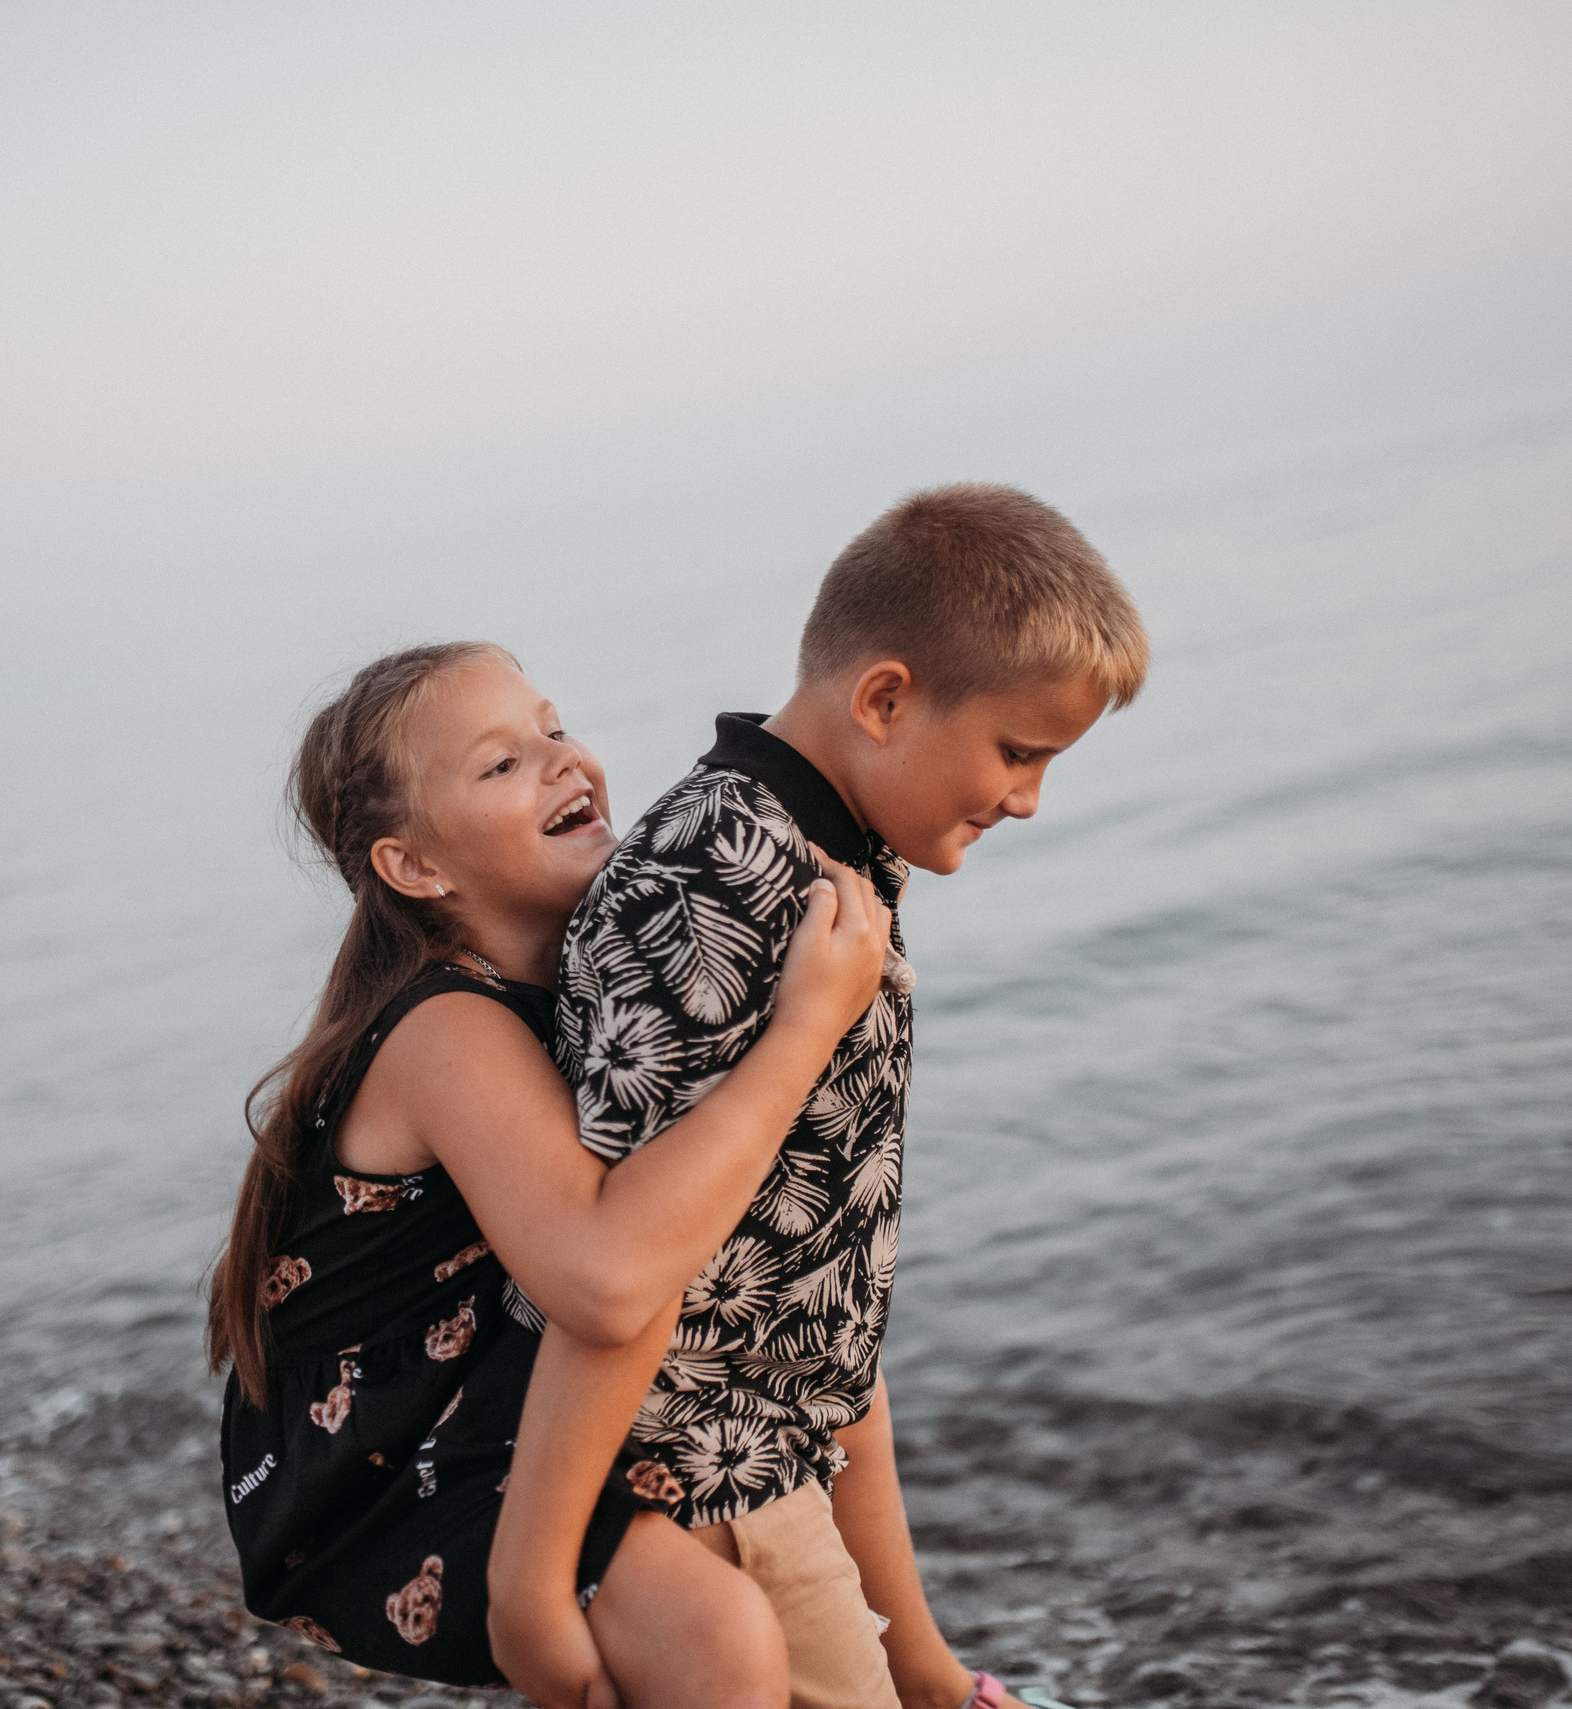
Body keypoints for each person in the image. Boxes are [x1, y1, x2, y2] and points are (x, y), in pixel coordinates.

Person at [490, 484, 1149, 1709]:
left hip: (773, 1472)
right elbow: (624, 1273)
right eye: (1018, 751)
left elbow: (826, 1300)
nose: (1026, 800)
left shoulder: (834, 853)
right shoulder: (716, 884)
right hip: (696, 1500)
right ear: (886, 698)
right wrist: (535, 1588)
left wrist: (923, 1660)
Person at [207, 640, 897, 1703]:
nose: (563, 761)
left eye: (555, 727)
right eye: (500, 764)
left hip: (502, 1387)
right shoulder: (446, 1026)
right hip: (384, 1457)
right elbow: (600, 1279)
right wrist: (806, 1024)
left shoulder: (599, 974)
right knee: (715, 1635)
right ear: (416, 868)